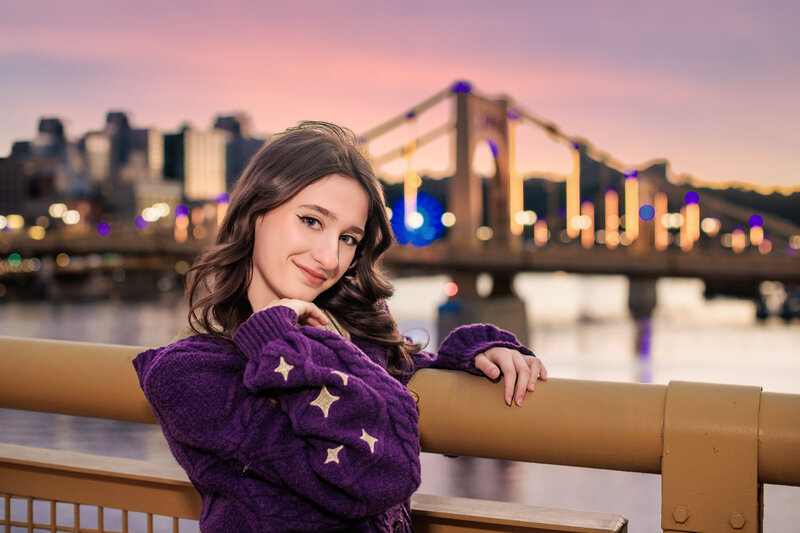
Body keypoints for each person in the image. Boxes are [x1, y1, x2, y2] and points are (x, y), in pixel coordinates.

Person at [133, 121, 547, 533]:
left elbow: (408, 375)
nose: (330, 258)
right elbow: (375, 475)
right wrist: (277, 336)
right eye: (312, 221)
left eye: (349, 238)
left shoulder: (358, 338)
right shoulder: (188, 376)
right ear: (254, 212)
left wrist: (480, 354)